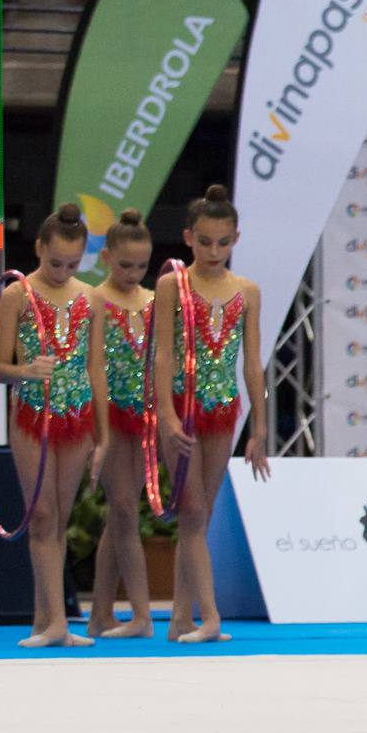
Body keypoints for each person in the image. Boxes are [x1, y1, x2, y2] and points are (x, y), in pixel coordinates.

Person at [152, 185, 271, 643]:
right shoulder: (171, 286)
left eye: (223, 242)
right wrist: (166, 414)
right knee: (194, 508)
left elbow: (251, 362)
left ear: (236, 239)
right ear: (188, 238)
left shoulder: (247, 291)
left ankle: (182, 616)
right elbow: (163, 355)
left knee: (197, 516)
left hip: (223, 411)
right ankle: (212, 616)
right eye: (205, 242)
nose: (214, 251)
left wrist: (258, 429)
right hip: (181, 411)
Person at [0, 205, 100, 648]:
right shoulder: (16, 294)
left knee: (58, 521)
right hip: (31, 416)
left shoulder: (91, 297)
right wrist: (26, 371)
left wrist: (104, 438)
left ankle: (46, 620)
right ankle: (57, 623)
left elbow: (97, 370)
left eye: (72, 265)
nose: (62, 272)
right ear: (39, 247)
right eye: (55, 262)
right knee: (41, 516)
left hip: (77, 417)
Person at [86, 210, 157, 637]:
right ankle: (144, 616)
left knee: (121, 516)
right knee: (126, 511)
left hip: (142, 414)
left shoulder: (152, 301)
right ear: (107, 257)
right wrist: (99, 430)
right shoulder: (94, 299)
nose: (132, 274)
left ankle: (99, 614)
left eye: (141, 266)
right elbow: (92, 363)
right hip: (108, 415)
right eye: (125, 265)